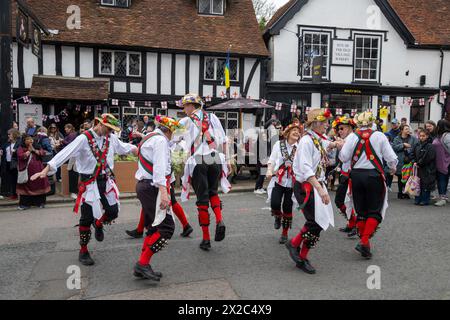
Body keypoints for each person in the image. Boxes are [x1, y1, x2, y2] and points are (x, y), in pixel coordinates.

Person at [31, 114, 138, 266]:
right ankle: (83, 250)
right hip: (89, 183)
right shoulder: (83, 139)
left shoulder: (111, 138)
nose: (110, 132)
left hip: (106, 180)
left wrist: (135, 148)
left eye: (112, 130)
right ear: (98, 123)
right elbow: (65, 153)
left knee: (113, 211)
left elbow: (123, 147)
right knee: (86, 218)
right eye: (108, 129)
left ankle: (99, 223)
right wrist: (47, 168)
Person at [338, 112, 397, 259]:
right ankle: (364, 241)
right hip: (373, 176)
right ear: (372, 123)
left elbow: (343, 157)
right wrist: (392, 167)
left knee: (361, 211)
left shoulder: (352, 136)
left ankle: (365, 245)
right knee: (375, 211)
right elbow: (391, 157)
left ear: (358, 123)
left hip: (356, 176)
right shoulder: (380, 136)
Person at [131, 116, 185, 281]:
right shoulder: (160, 141)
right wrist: (164, 192)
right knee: (167, 227)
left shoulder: (149, 137)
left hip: (144, 186)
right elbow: (160, 168)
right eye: (173, 133)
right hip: (153, 188)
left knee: (153, 227)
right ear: (168, 130)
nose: (173, 136)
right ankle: (142, 263)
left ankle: (143, 264)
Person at [285, 108, 337, 274]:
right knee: (315, 222)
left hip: (315, 185)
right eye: (324, 122)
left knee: (319, 223)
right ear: (315, 123)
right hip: (306, 187)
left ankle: (299, 252)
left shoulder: (316, 139)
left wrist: (336, 143)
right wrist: (321, 190)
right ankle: (296, 247)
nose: (327, 125)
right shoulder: (307, 141)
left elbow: (325, 144)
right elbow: (306, 169)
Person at [175, 93, 230, 251]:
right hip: (215, 158)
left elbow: (173, 140)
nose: (184, 109)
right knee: (213, 192)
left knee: (202, 200)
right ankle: (219, 220)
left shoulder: (184, 121)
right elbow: (224, 140)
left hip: (198, 161)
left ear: (192, 106)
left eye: (185, 106)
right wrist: (227, 161)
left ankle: (206, 239)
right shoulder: (213, 117)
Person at [266, 121, 302, 244]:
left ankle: (284, 233)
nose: (297, 132)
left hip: (292, 183)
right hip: (279, 180)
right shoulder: (279, 144)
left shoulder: (300, 147)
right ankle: (277, 216)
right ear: (287, 133)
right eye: (294, 131)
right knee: (275, 203)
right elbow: (271, 159)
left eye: (298, 131)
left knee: (287, 207)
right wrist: (270, 170)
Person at [332, 115, 358, 238]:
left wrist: (340, 146)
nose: (339, 131)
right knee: (341, 201)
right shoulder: (348, 138)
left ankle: (355, 224)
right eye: (338, 129)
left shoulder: (352, 137)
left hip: (351, 174)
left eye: (342, 128)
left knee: (346, 201)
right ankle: (352, 223)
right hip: (345, 173)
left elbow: (344, 157)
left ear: (349, 128)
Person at [16, 134, 50, 210]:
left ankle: (40, 203)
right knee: (26, 187)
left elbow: (43, 153)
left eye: (31, 139)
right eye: (27, 139)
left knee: (39, 185)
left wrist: (34, 150)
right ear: (24, 141)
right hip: (27, 171)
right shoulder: (21, 148)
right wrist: (29, 151)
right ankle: (25, 205)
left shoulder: (37, 146)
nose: (30, 141)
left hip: (38, 170)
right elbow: (21, 156)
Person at [392, 124, 418, 199]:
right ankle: (400, 192)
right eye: (406, 129)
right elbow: (394, 147)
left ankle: (406, 192)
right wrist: (403, 145)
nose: (408, 130)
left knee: (408, 177)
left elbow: (416, 146)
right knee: (401, 177)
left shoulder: (413, 138)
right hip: (401, 160)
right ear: (402, 130)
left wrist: (409, 149)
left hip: (410, 160)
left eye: (408, 129)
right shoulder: (397, 138)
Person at [412, 129, 436, 206]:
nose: (421, 137)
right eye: (420, 136)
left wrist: (419, 163)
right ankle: (417, 199)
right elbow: (412, 154)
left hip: (427, 168)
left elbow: (428, 158)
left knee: (425, 184)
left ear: (427, 136)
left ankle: (425, 200)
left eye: (423, 136)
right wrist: (414, 162)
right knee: (417, 183)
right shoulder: (417, 144)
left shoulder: (430, 146)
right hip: (418, 168)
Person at [432, 119, 450, 207]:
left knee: (442, 179)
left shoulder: (446, 136)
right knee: (442, 179)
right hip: (439, 161)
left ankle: (442, 198)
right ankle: (444, 197)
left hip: (445, 162)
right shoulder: (439, 135)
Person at [1, 128, 20, 200]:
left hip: (15, 164)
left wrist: (16, 151)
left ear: (14, 134)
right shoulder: (7, 143)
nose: (8, 136)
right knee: (11, 179)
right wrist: (1, 150)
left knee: (16, 179)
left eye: (10, 134)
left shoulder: (18, 142)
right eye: (8, 134)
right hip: (8, 163)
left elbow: (21, 150)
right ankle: (14, 194)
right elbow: (3, 149)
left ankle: (19, 194)